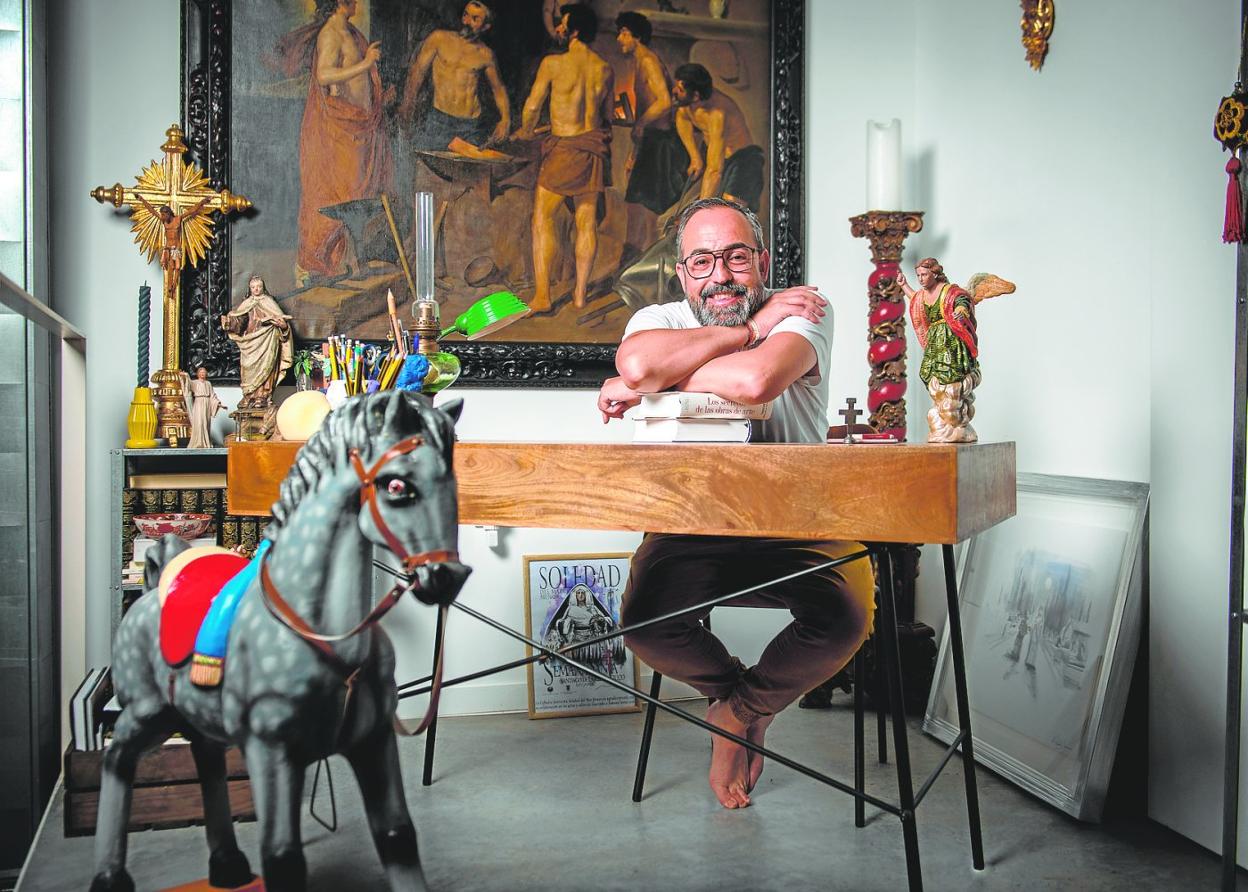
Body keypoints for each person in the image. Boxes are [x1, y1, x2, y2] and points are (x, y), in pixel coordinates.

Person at [596, 198, 874, 809]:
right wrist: (750, 330)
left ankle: (740, 713)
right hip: (692, 519)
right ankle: (732, 704)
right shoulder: (658, 314)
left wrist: (649, 383)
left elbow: (755, 383)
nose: (719, 274)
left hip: (797, 518)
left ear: (761, 261)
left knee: (849, 615)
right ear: (681, 272)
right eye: (702, 261)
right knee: (645, 620)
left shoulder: (804, 308)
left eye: (736, 257)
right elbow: (641, 361)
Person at [516, 4, 613, 311]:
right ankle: (580, 294)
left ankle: (543, 296)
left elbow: (532, 107)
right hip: (592, 149)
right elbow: (607, 115)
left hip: (564, 150)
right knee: (586, 222)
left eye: (562, 25)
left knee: (542, 217)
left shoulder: (553, 64)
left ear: (574, 31)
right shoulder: (605, 68)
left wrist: (526, 131)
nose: (557, 29)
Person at [294, 0, 394, 283]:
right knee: (340, 195)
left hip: (358, 127)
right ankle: (321, 263)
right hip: (340, 128)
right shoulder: (331, 33)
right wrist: (365, 63)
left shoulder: (349, 31)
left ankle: (350, 261)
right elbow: (324, 74)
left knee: (355, 195)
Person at [397, 2, 511, 160]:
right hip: (439, 122)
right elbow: (417, 73)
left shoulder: (486, 54)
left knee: (469, 178)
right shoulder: (439, 38)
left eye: (475, 18)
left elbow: (498, 89)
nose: (466, 21)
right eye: (465, 15)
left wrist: (505, 119)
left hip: (470, 127)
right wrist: (407, 103)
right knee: (429, 172)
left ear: (485, 27)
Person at [616, 12, 687, 257]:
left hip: (660, 147)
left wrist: (640, 124)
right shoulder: (641, 61)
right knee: (636, 210)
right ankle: (628, 269)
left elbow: (664, 102)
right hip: (650, 145)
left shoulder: (647, 61)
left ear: (636, 35)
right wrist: (634, 152)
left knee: (645, 213)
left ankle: (636, 272)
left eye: (623, 32)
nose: (619, 38)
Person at [897, 258, 980, 442]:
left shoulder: (947, 291)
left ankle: (955, 413)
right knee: (930, 372)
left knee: (950, 373)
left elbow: (962, 298)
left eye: (924, 274)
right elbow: (915, 300)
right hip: (935, 340)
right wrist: (904, 285)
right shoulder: (924, 294)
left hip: (950, 337)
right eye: (918, 275)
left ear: (934, 273)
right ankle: (944, 417)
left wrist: (961, 308)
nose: (920, 278)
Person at [672, 63, 765, 209]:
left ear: (696, 96)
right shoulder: (688, 104)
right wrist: (695, 157)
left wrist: (700, 208)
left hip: (743, 162)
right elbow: (682, 118)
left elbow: (715, 170)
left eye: (680, 89)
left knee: (728, 211)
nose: (674, 91)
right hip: (719, 160)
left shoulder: (717, 113)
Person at [221, 276, 294, 408]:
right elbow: (240, 322)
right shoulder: (247, 303)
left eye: (259, 286)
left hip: (268, 340)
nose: (256, 289)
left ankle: (263, 396)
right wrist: (229, 322)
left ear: (263, 287)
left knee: (266, 368)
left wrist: (282, 325)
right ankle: (248, 396)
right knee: (247, 367)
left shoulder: (269, 302)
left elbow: (283, 326)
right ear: (250, 288)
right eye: (253, 287)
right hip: (250, 342)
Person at [134, 194, 212, 303]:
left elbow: (191, 211)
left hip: (176, 248)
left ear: (168, 213)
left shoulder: (178, 219)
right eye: (161, 215)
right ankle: (170, 287)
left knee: (177, 267)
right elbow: (151, 210)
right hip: (167, 248)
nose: (162, 217)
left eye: (163, 214)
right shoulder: (164, 221)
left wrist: (203, 202)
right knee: (169, 267)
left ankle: (174, 286)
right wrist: (142, 200)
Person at [183, 367, 226, 449]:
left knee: (205, 423)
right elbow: (188, 384)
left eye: (204, 372)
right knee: (198, 423)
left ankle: (205, 442)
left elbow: (212, 396)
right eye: (201, 372)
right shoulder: (195, 382)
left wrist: (219, 404)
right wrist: (186, 375)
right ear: (198, 374)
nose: (203, 374)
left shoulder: (208, 383)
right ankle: (198, 442)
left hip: (206, 403)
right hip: (198, 402)